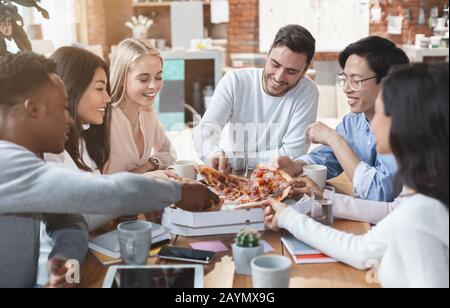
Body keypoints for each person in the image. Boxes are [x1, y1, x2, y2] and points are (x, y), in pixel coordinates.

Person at [0, 52, 218, 288]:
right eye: (63, 107)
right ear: (32, 109)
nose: (70, 120)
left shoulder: (29, 158)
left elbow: (70, 221)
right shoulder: (6, 162)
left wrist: (65, 264)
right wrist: (179, 191)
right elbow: (103, 192)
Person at [264, 63, 449, 288]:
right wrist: (298, 210)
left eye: (380, 112)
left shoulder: (421, 214)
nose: (371, 126)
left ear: (404, 123)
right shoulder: (425, 192)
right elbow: (360, 250)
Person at [277, 36, 410, 202]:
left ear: (388, 82)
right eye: (344, 79)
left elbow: (380, 193)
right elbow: (330, 156)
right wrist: (297, 166)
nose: (346, 89)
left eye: (355, 81)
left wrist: (333, 138)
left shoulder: (405, 126)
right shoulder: (354, 121)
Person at [193, 25, 319, 173]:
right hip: (231, 175)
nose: (279, 77)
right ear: (267, 55)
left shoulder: (307, 92)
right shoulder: (235, 81)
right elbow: (206, 130)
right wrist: (212, 154)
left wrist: (237, 160)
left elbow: (292, 154)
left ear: (304, 71)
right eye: (275, 64)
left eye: (291, 71)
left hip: (275, 177)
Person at [106, 39, 176, 174]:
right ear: (121, 78)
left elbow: (169, 152)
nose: (153, 86)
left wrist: (149, 164)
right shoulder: (106, 120)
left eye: (159, 77)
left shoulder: (147, 114)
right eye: (143, 79)